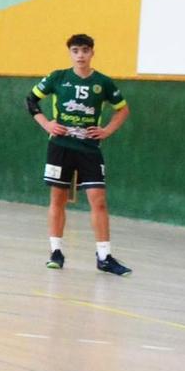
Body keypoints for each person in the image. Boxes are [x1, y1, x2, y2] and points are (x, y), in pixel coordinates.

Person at [30, 33, 130, 275]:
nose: (80, 55)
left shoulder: (103, 82)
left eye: (85, 50)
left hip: (89, 149)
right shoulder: (58, 77)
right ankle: (56, 251)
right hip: (60, 147)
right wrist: (46, 124)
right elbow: (31, 100)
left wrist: (106, 130)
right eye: (75, 51)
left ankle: (104, 256)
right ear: (70, 53)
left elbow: (123, 109)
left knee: (99, 200)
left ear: (92, 53)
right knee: (58, 199)